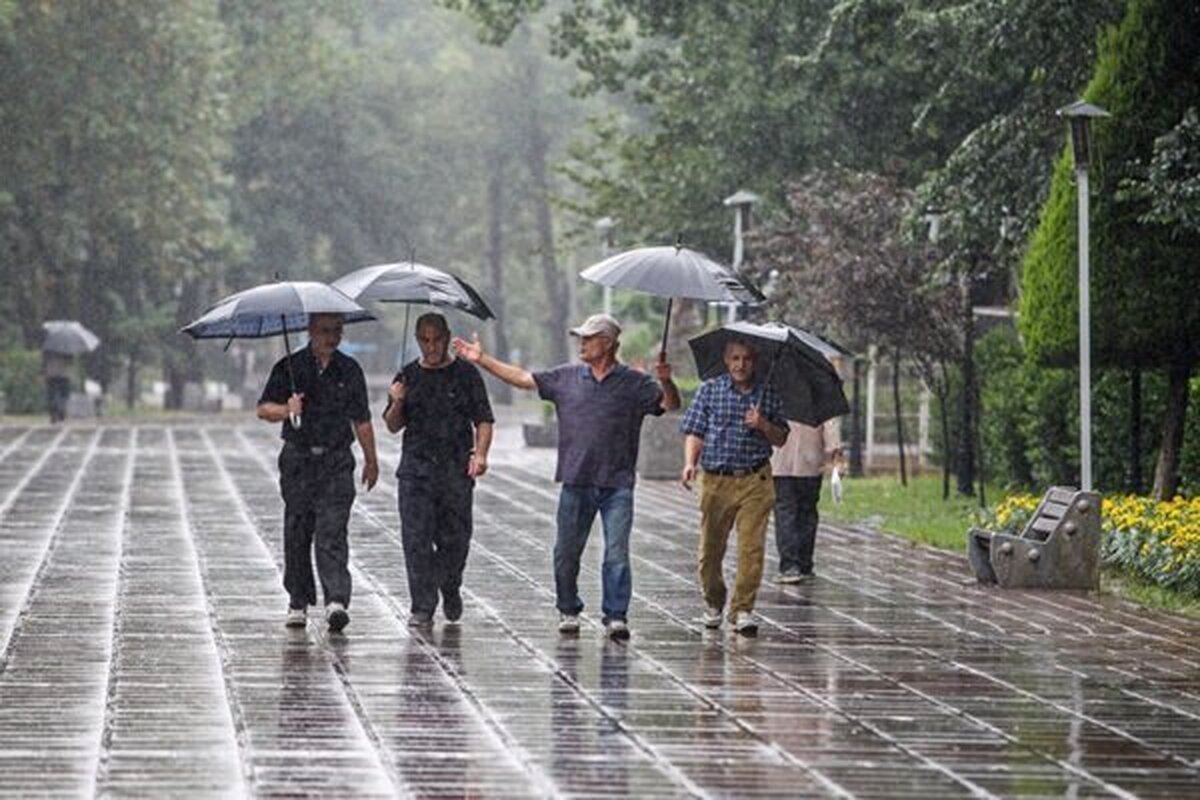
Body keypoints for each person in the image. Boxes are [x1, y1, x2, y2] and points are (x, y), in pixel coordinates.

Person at [452, 313, 680, 640]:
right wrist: (482, 359)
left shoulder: (635, 384)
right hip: (577, 481)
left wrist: (666, 380)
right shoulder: (566, 377)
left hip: (617, 485)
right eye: (581, 338)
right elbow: (522, 378)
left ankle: (616, 615)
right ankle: (568, 608)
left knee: (616, 552)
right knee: (566, 552)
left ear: (609, 343)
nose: (582, 344)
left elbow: (669, 404)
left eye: (589, 338)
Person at [256, 312, 379, 633]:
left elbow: (362, 419)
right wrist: (287, 409)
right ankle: (298, 600)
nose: (332, 337)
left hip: (336, 460)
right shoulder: (289, 367)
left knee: (332, 529)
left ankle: (336, 599)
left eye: (337, 331)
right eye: (325, 331)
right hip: (298, 460)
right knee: (298, 529)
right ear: (311, 331)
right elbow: (263, 409)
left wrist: (371, 459)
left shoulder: (349, 370)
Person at [383, 312, 494, 627]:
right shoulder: (406, 376)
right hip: (416, 471)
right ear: (418, 340)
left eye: (437, 339)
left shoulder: (466, 375)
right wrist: (396, 402)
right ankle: (422, 604)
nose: (431, 346)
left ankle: (450, 584)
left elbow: (483, 419)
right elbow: (392, 426)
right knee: (416, 539)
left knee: (455, 539)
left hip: (455, 471)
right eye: (425, 340)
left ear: (446, 337)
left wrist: (481, 454)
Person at [680, 339, 788, 635]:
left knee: (751, 549)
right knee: (710, 551)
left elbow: (781, 438)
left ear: (755, 362)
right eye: (735, 359)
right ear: (726, 361)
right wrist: (690, 462)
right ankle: (714, 602)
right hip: (716, 480)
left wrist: (763, 424)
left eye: (747, 359)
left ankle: (742, 609)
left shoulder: (768, 393)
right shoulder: (710, 390)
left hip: (756, 479)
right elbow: (695, 431)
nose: (741, 365)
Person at [771, 419, 841, 583]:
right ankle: (804, 564)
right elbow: (830, 422)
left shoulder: (776, 394)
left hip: (780, 461)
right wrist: (834, 451)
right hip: (810, 460)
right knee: (807, 512)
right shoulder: (819, 394)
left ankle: (789, 566)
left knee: (785, 513)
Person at [43, 351, 71, 423]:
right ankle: (60, 414)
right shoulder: (66, 349)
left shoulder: (48, 349)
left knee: (52, 397)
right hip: (61, 376)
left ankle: (55, 415)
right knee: (62, 397)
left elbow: (44, 363)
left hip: (52, 375)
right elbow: (70, 361)